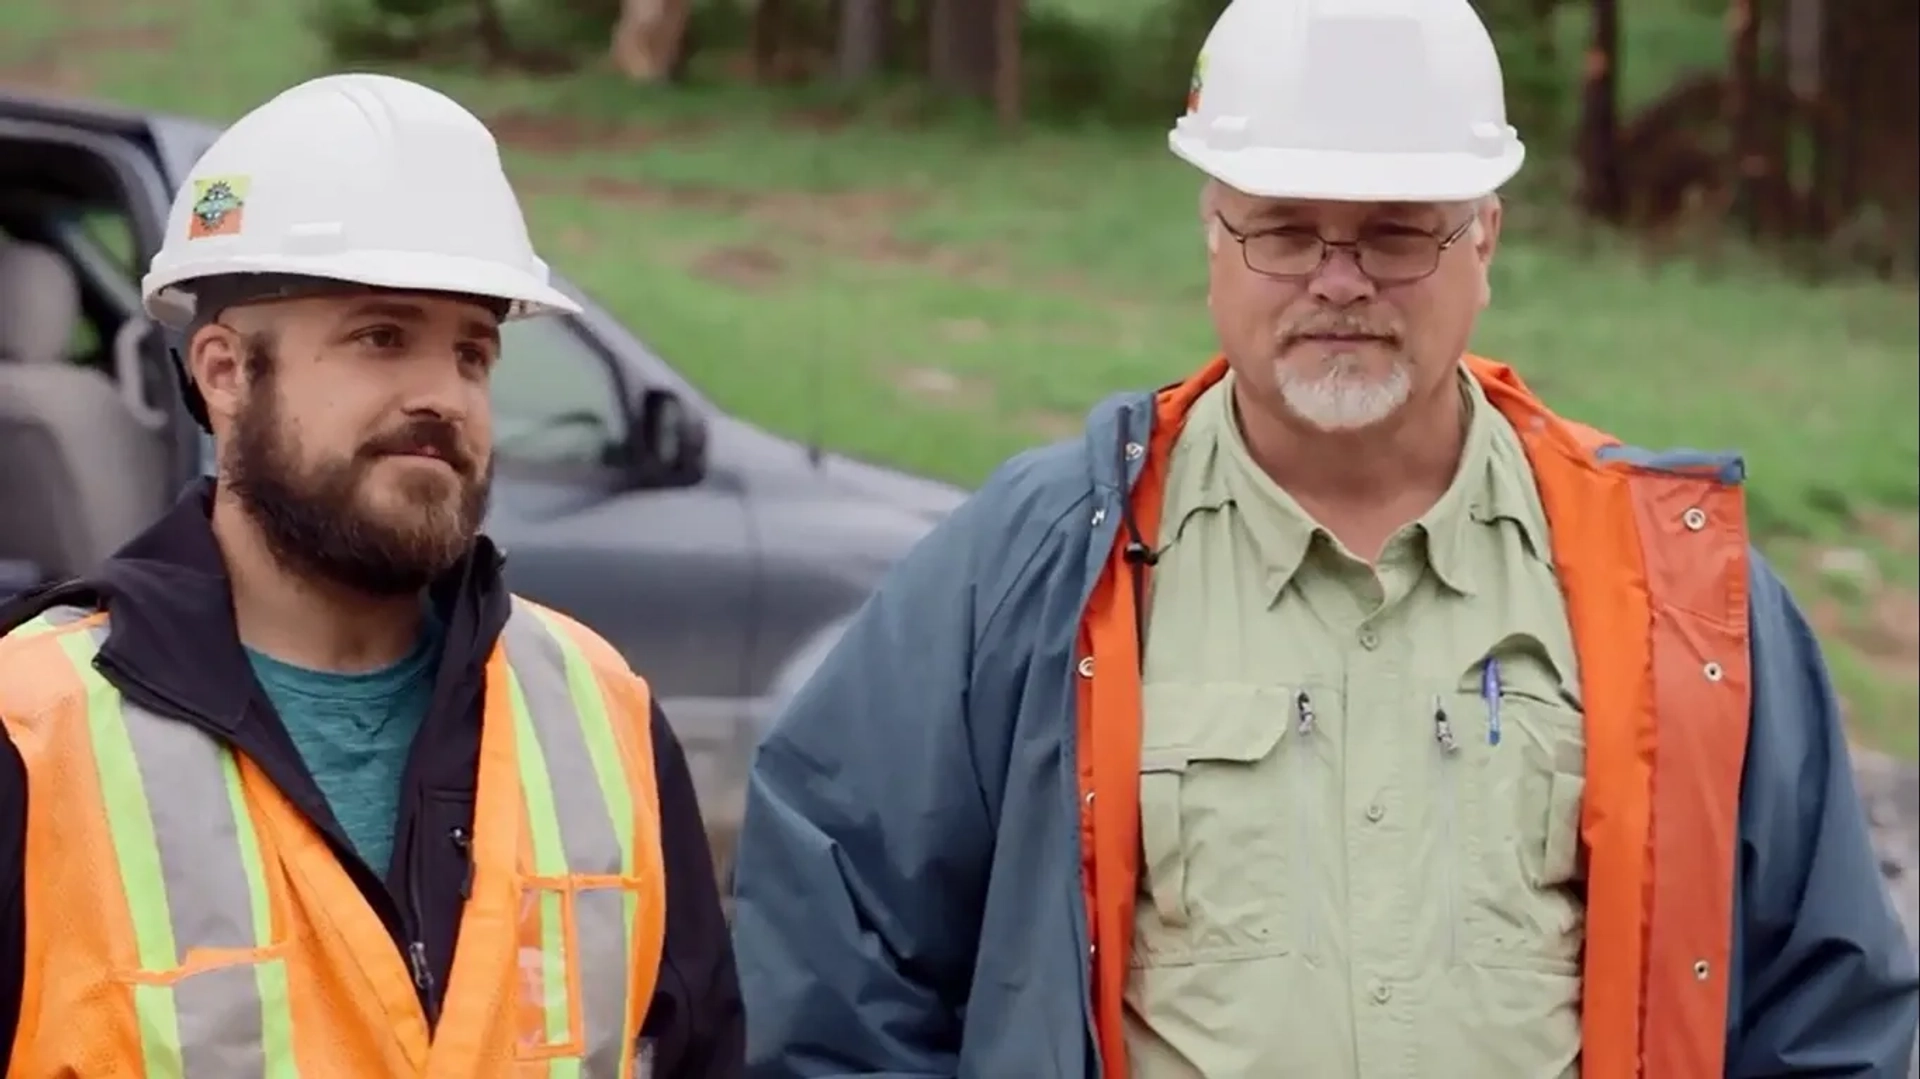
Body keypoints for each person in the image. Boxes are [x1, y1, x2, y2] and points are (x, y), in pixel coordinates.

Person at [729, 0, 1920, 1075]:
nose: (1338, 281)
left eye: (1397, 234)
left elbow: (1827, 1012)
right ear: (1213, 234)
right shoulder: (1034, 565)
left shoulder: (1672, 587)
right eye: (1287, 230)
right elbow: (839, 938)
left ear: (1484, 242)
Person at [0, 73, 742, 1076]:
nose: (441, 395)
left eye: (473, 353)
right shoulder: (30, 730)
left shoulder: (598, 714)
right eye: (381, 337)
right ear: (223, 373)